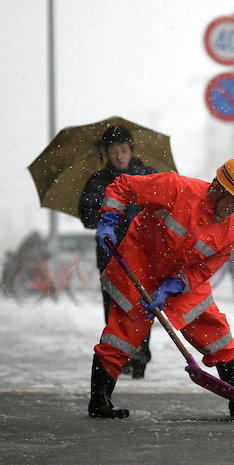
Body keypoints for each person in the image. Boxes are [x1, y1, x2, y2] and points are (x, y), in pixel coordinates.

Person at [88, 157, 234, 420]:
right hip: (139, 268)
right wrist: (109, 218)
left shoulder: (229, 231)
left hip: (181, 283)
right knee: (121, 338)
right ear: (219, 188)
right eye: (233, 200)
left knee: (218, 335)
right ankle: (99, 402)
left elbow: (203, 270)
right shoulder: (176, 188)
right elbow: (124, 186)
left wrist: (175, 285)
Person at [78, 125, 156, 378]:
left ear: (131, 150)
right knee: (113, 307)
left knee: (142, 305)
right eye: (114, 151)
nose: (120, 156)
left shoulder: (148, 176)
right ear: (106, 154)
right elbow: (86, 216)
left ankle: (140, 356)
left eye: (124, 150)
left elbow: (163, 210)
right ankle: (117, 357)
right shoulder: (98, 182)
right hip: (110, 256)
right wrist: (107, 218)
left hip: (143, 254)